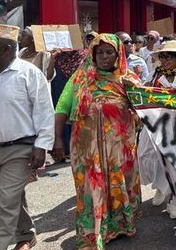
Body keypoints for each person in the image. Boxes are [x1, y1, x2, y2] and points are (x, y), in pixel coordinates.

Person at [52, 34, 142, 249]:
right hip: (86, 148)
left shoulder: (128, 79)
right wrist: (56, 139)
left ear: (118, 54)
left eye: (109, 52)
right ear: (93, 54)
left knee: (118, 183)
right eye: (99, 52)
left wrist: (135, 92)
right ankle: (93, 233)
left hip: (119, 149)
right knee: (91, 187)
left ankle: (120, 225)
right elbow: (62, 107)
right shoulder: (80, 78)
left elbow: (145, 110)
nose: (104, 57)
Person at [0, 23, 54, 250]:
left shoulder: (29, 73)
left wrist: (42, 145)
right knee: (7, 197)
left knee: (4, 202)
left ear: (7, 49)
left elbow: (44, 111)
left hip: (21, 149)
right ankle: (26, 234)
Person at [140, 40, 176, 218]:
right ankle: (161, 188)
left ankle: (175, 200)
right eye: (162, 56)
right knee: (148, 157)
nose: (164, 60)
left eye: (169, 56)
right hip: (154, 125)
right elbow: (142, 92)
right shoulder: (154, 76)